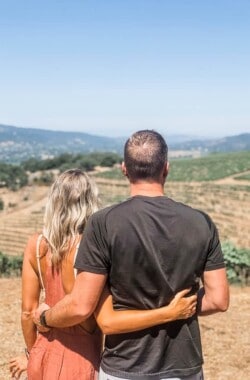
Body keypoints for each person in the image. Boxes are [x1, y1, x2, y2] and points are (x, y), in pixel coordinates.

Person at [34, 130, 229, 380]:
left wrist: (45, 317)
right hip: (184, 366)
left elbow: (82, 306)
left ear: (124, 169)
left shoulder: (103, 224)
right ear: (166, 168)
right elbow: (218, 300)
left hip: (125, 368)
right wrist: (175, 308)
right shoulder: (201, 222)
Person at [10, 168, 198, 380]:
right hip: (80, 358)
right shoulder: (91, 250)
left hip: (41, 355)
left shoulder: (36, 245)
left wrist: (31, 354)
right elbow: (95, 312)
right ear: (91, 201)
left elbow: (27, 312)